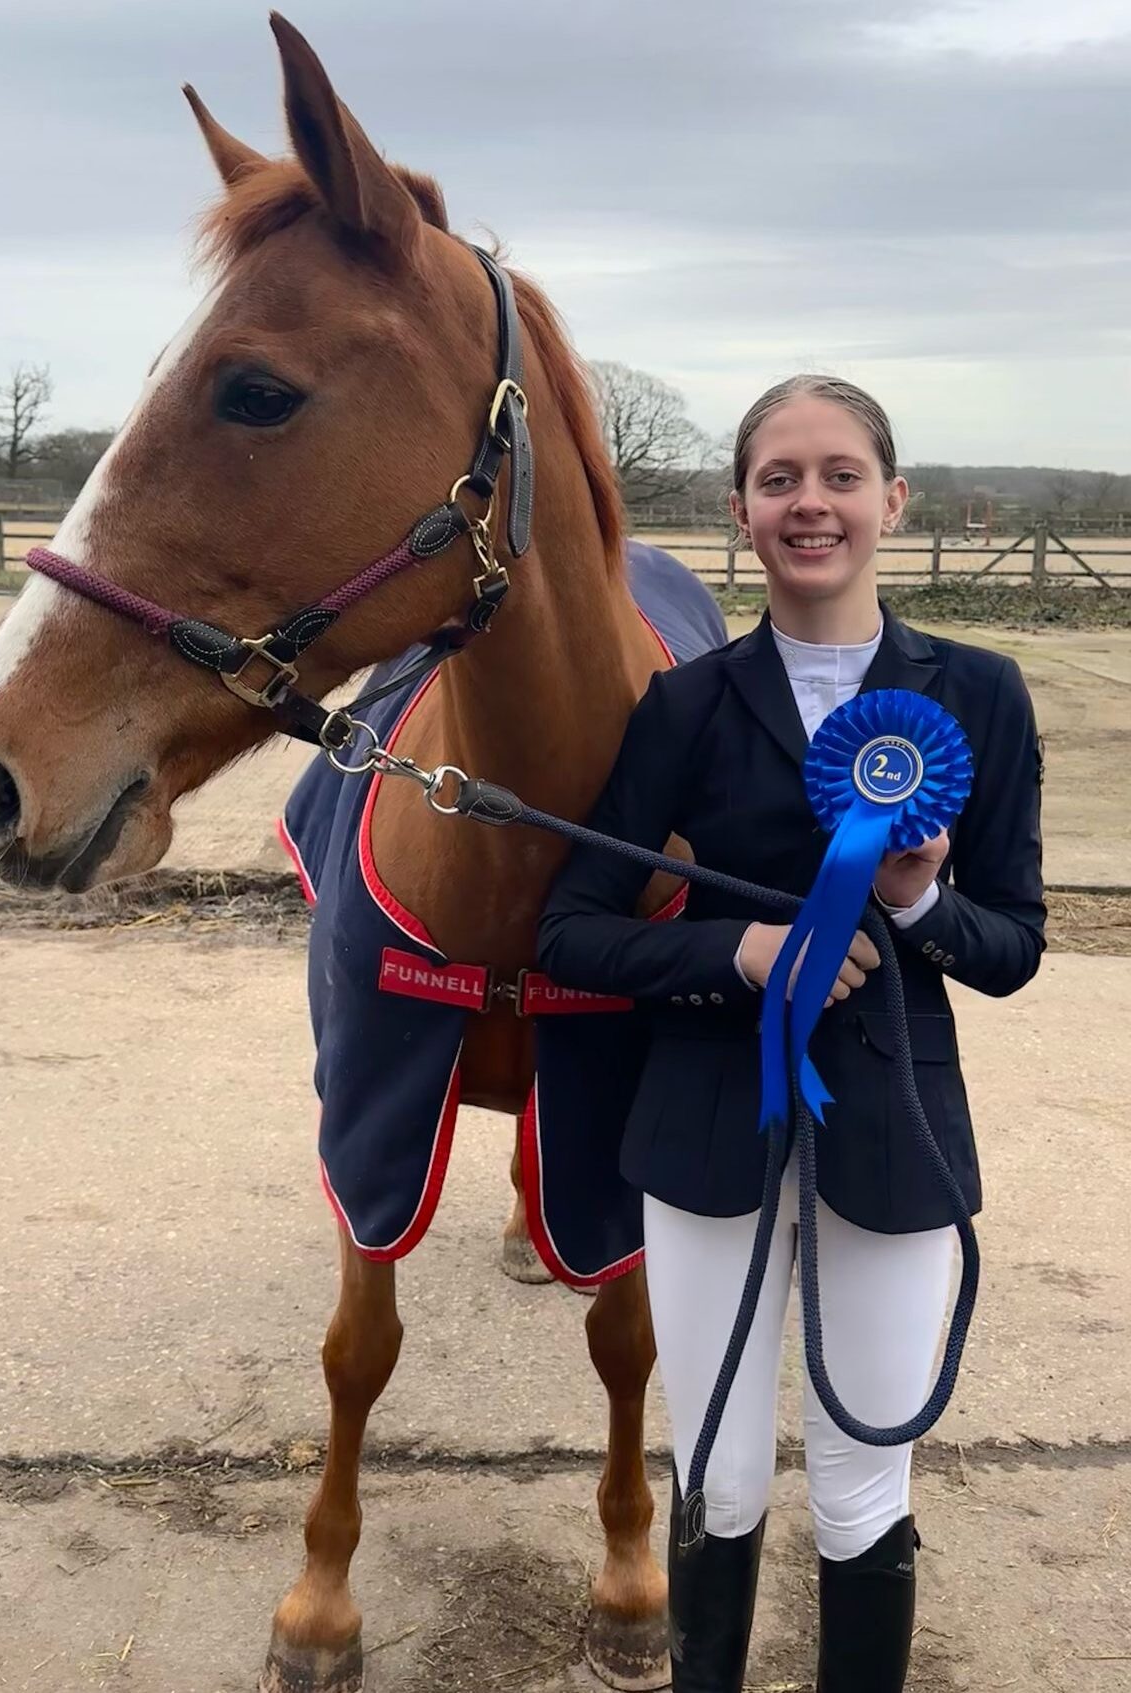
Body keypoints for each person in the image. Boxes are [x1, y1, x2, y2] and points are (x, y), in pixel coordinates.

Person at [536, 375, 1045, 1692]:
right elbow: (572, 927)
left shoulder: (980, 696)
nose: (808, 501)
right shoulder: (689, 705)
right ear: (742, 512)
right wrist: (737, 951)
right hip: (709, 1127)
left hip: (895, 1130)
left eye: (836, 474)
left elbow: (1015, 947)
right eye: (778, 479)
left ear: (892, 498)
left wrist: (921, 897)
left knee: (866, 1475)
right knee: (715, 1469)